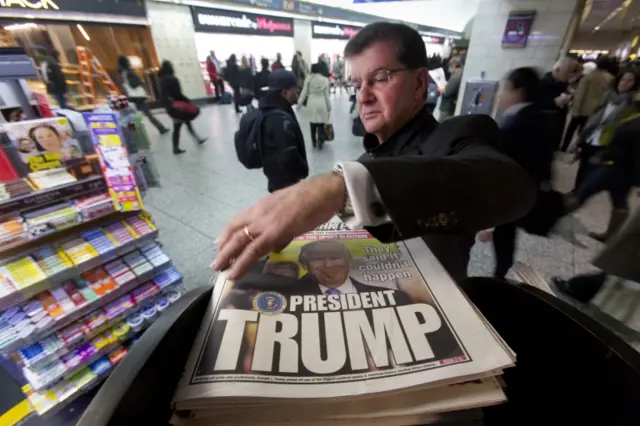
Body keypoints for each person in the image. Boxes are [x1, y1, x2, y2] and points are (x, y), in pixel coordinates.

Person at [212, 22, 536, 282]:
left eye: (380, 78)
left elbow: (511, 185)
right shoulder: (366, 161)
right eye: (356, 84)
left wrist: (335, 187)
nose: (363, 96)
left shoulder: (456, 135)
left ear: (420, 83)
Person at [489, 67, 555, 278]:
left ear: (519, 91)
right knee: (506, 237)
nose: (501, 95)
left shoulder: (515, 124)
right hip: (524, 190)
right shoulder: (540, 116)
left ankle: (500, 275)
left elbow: (501, 167)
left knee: (503, 235)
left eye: (506, 88)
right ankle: (502, 272)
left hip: (511, 193)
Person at [566, 89, 640, 243]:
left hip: (618, 167)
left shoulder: (636, 121)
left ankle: (552, 219)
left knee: (584, 190)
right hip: (619, 165)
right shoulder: (632, 114)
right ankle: (610, 236)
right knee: (619, 199)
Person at [257, 69, 308, 192]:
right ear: (284, 93)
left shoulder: (271, 110)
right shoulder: (279, 120)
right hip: (284, 181)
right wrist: (303, 169)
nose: (298, 92)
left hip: (276, 175)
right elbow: (289, 154)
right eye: (295, 89)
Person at [561, 57, 613, 152]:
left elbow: (580, 95)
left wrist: (575, 110)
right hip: (597, 110)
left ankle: (564, 148)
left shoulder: (588, 77)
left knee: (571, 130)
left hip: (582, 108)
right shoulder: (610, 78)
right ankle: (579, 149)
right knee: (586, 131)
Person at [158, 60, 207, 154]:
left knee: (182, 125)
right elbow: (178, 94)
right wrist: (187, 101)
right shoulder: (173, 79)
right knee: (179, 126)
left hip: (170, 108)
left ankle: (196, 140)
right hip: (178, 107)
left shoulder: (161, 80)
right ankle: (177, 147)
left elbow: (163, 96)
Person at [118, 56, 169, 135]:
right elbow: (134, 83)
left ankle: (133, 135)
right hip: (138, 97)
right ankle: (161, 128)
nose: (129, 62)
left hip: (130, 97)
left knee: (131, 116)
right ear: (126, 62)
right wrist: (141, 81)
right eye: (128, 61)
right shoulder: (129, 72)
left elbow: (124, 85)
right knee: (148, 114)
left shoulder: (121, 72)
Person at [538, 57, 581, 150]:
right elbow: (535, 103)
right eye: (567, 73)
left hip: (557, 123)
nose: (570, 77)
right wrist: (553, 102)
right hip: (544, 125)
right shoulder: (541, 83)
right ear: (557, 70)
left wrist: (569, 98)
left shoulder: (563, 84)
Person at [299, 63, 331, 150]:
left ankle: (313, 142)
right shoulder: (325, 80)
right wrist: (329, 107)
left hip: (311, 103)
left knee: (312, 123)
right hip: (322, 103)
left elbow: (304, 93)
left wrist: (299, 103)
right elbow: (327, 95)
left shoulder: (308, 79)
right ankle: (320, 140)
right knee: (321, 123)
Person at [437, 56, 463, 121]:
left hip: (447, 106)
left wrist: (440, 89)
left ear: (454, 65)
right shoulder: (461, 74)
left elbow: (446, 93)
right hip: (452, 105)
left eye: (450, 66)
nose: (449, 68)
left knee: (442, 123)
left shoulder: (455, 77)